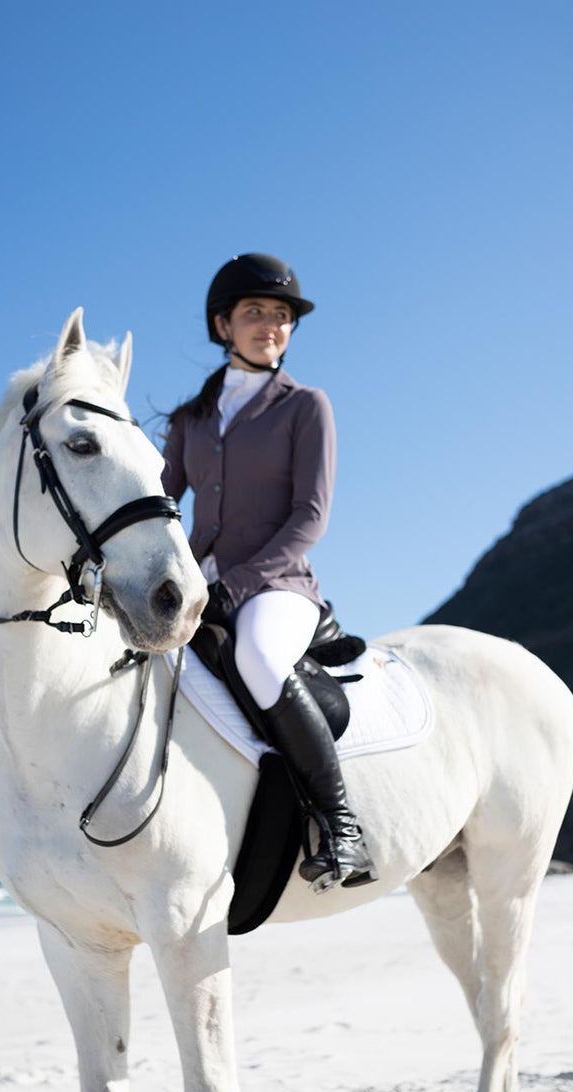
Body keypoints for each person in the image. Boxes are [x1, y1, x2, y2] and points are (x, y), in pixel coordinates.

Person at [161, 252, 376, 892]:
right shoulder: (187, 421)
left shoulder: (306, 406)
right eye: (256, 313)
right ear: (223, 325)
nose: (271, 326)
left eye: (282, 317)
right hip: (201, 579)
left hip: (280, 586)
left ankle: (343, 827)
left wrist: (240, 582)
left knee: (256, 656)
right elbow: (165, 505)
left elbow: (310, 517)